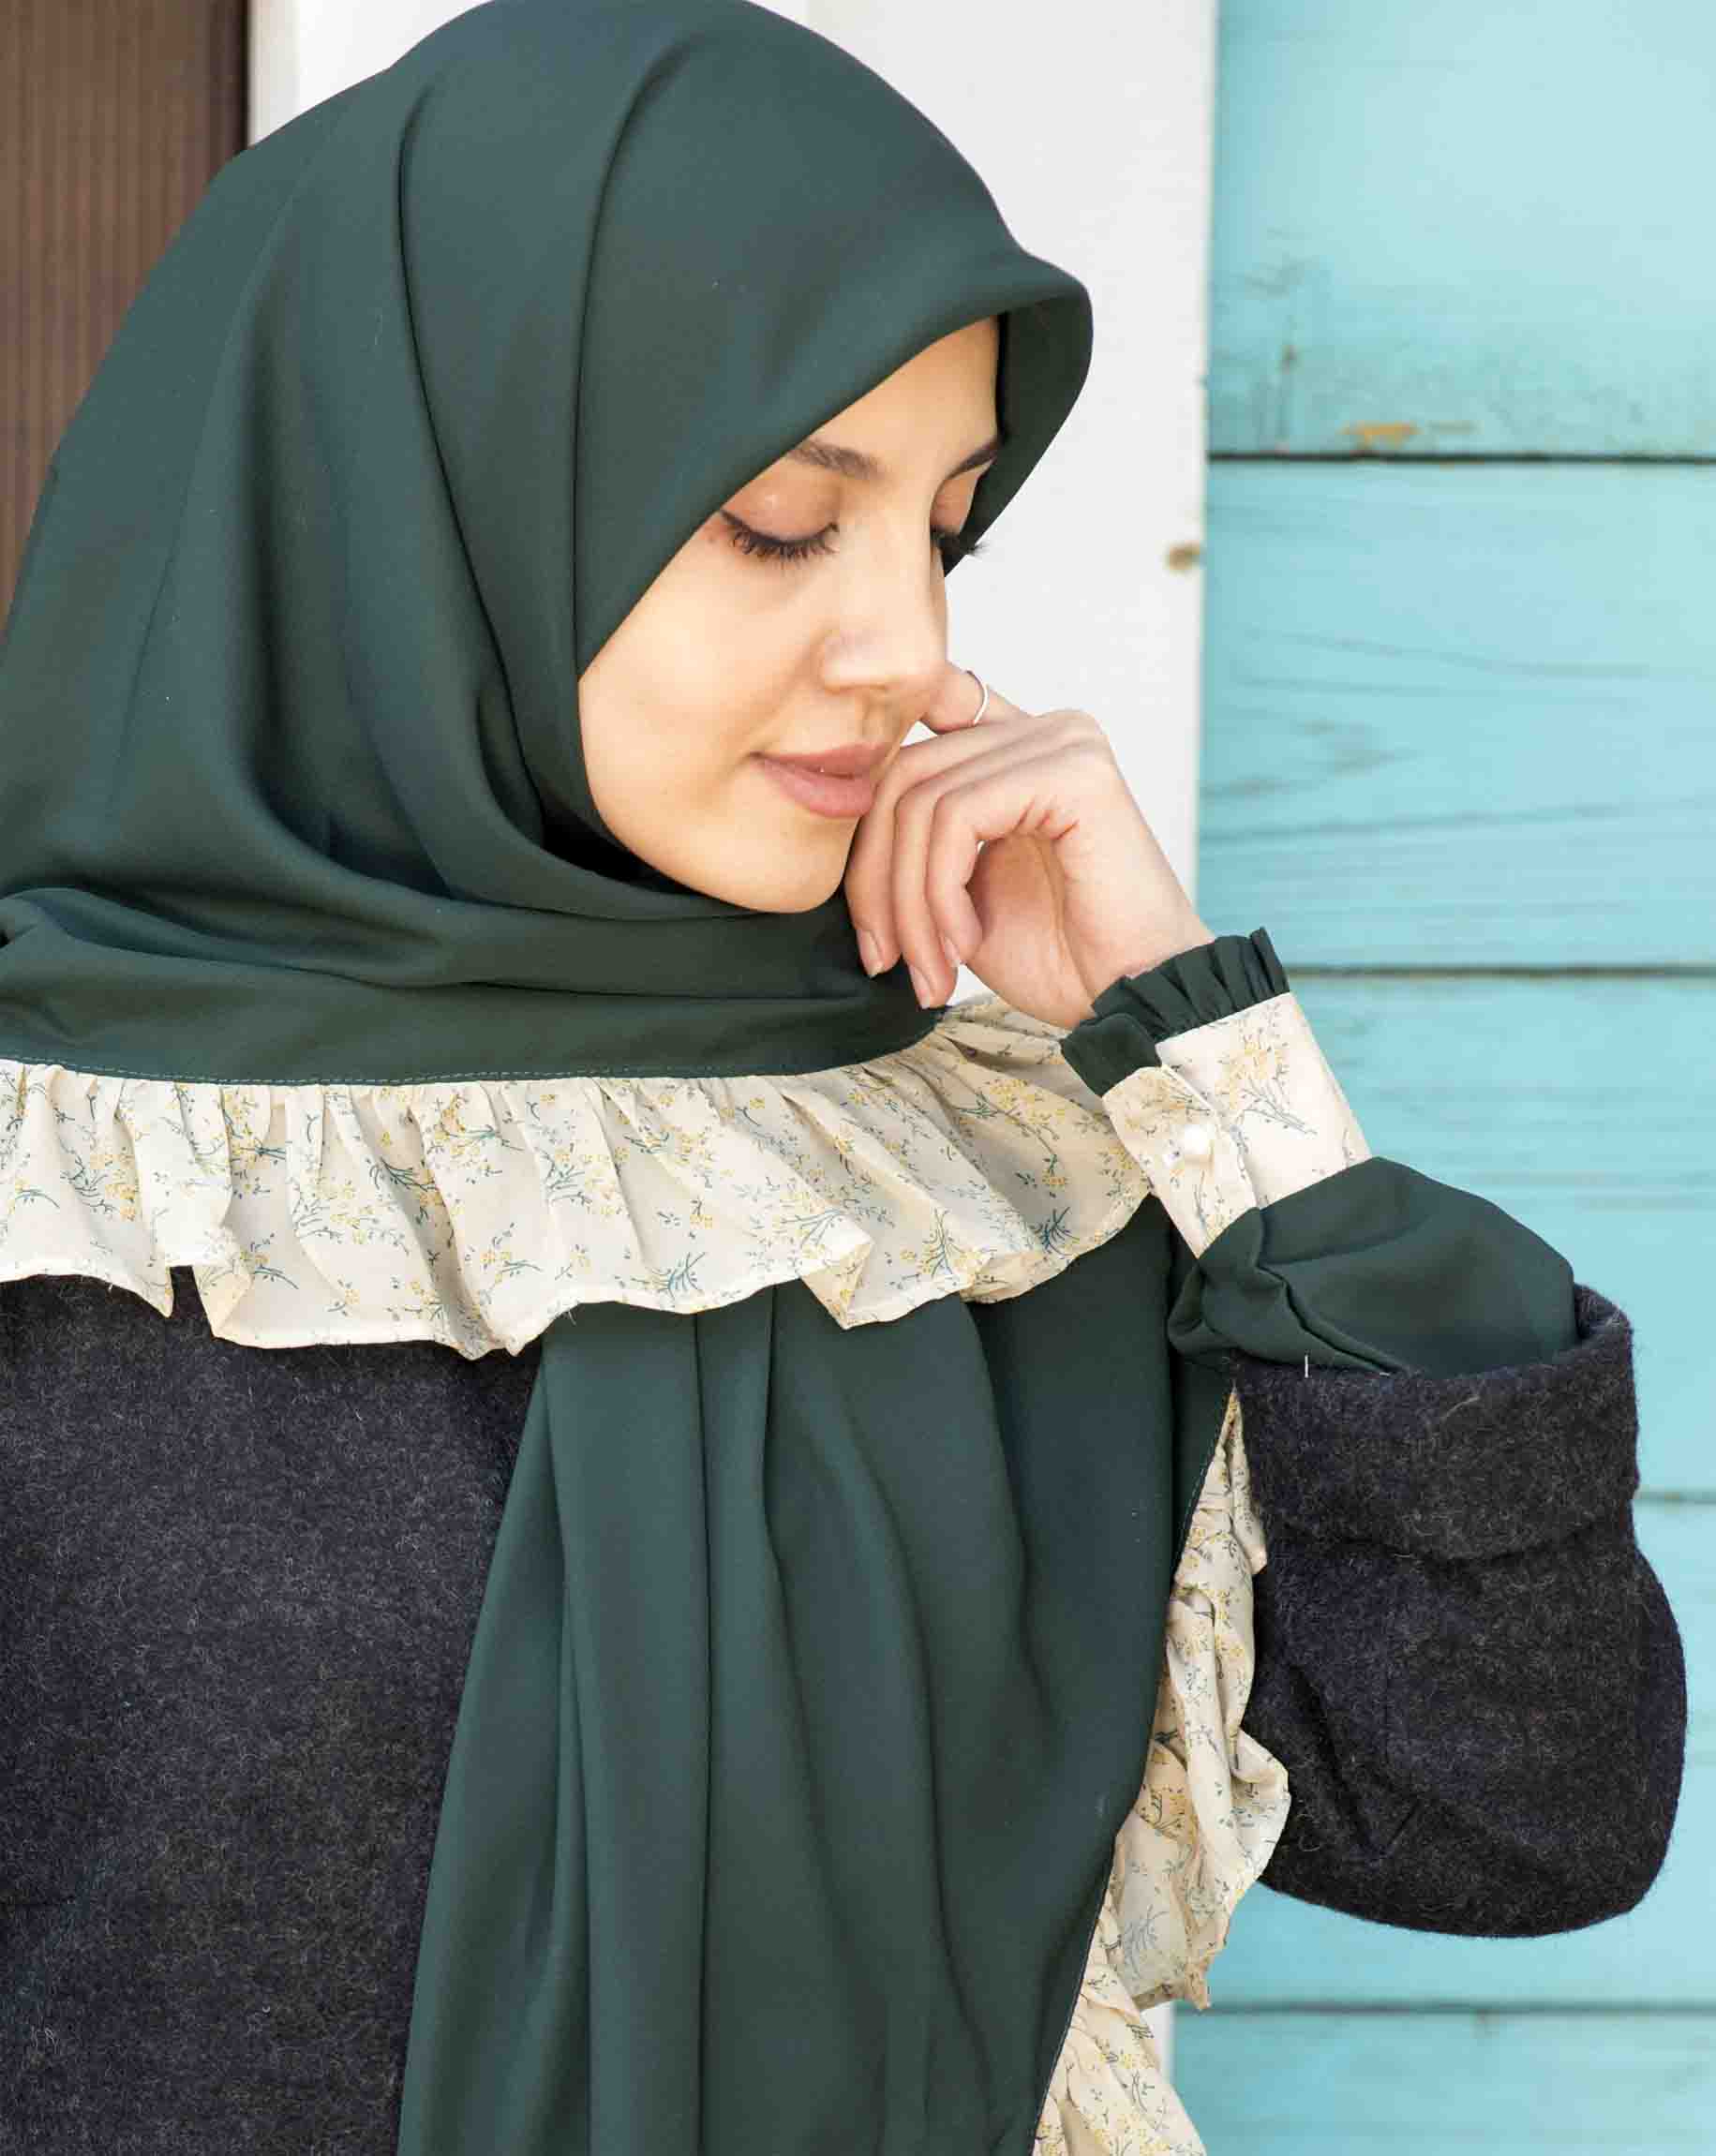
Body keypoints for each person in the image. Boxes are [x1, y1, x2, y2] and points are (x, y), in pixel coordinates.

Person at [0, 2, 1685, 2150]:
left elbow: (1513, 1814)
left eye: (946, 532)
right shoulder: (77, 1185)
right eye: (782, 520)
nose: (905, 649)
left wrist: (1211, 1064)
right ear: (427, 504)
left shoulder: (973, 1189)